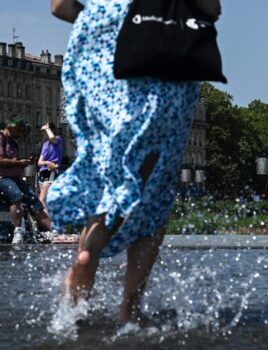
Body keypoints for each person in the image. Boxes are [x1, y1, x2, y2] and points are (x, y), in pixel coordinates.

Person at [49, 0, 222, 325]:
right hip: (158, 52)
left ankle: (89, 250)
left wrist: (104, 20)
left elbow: (59, 7)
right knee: (153, 187)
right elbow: (210, 9)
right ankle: (129, 310)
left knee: (108, 173)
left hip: (97, 53)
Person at [0, 116, 51, 244]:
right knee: (15, 194)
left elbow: (13, 161)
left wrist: (25, 163)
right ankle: (18, 231)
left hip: (15, 177)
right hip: (3, 178)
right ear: (10, 127)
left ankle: (51, 231)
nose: (20, 134)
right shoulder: (1, 139)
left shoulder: (13, 141)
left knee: (33, 200)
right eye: (18, 130)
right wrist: (18, 163)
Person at [37, 122, 63, 215]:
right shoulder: (45, 144)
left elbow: (52, 138)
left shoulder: (58, 139)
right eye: (43, 131)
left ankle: (48, 225)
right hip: (43, 171)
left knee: (42, 200)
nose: (44, 133)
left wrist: (47, 128)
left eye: (45, 131)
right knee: (45, 199)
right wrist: (46, 162)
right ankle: (48, 223)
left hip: (51, 171)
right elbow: (39, 162)